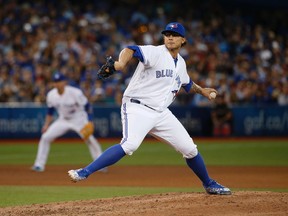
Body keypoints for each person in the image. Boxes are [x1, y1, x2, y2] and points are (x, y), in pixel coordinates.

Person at [68, 22, 231, 195]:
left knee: (190, 149)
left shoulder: (181, 63)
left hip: (161, 113)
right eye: (167, 34)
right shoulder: (156, 52)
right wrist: (121, 63)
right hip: (138, 107)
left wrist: (203, 91)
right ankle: (84, 172)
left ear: (183, 40)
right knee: (129, 145)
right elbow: (131, 49)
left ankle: (209, 184)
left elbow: (187, 84)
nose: (169, 37)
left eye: (174, 35)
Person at [32, 72, 105, 172]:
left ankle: (101, 165)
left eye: (59, 81)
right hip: (63, 120)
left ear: (64, 82)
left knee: (90, 139)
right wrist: (46, 125)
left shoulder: (75, 92)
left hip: (78, 119)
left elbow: (88, 106)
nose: (57, 84)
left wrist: (90, 121)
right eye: (55, 82)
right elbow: (50, 111)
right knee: (45, 137)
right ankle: (39, 165)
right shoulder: (51, 95)